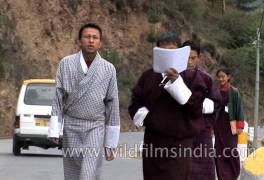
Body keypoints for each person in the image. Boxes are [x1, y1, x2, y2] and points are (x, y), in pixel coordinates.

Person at [128, 33, 208, 180]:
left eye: (171, 50)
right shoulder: (148, 76)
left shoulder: (192, 77)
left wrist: (177, 83)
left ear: (179, 52)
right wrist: (148, 118)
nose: (167, 55)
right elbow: (135, 103)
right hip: (154, 142)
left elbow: (196, 108)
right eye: (163, 51)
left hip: (180, 144)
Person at [48, 23, 120, 180]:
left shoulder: (108, 69)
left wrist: (111, 142)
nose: (91, 41)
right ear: (80, 40)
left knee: (88, 171)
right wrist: (55, 128)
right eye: (87, 37)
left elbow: (112, 104)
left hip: (95, 126)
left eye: (95, 38)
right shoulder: (65, 64)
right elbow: (58, 97)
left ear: (100, 42)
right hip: (71, 125)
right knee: (73, 172)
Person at [182, 40, 221, 180]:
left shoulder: (206, 79)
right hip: (180, 134)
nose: (189, 62)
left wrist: (198, 105)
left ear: (198, 57)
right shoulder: (174, 78)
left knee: (204, 172)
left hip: (201, 134)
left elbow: (216, 102)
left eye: (193, 58)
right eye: (186, 58)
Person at [214, 68, 244, 180]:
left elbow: (239, 109)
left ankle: (234, 174)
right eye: (219, 77)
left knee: (231, 150)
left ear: (228, 77)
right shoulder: (215, 90)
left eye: (223, 76)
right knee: (218, 151)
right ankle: (223, 176)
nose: (221, 79)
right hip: (218, 125)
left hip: (231, 126)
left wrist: (240, 126)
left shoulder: (234, 92)